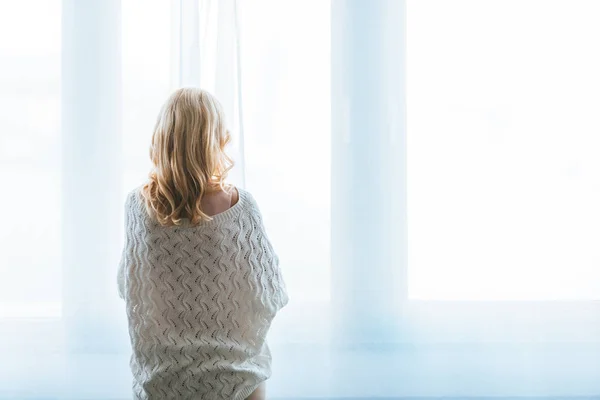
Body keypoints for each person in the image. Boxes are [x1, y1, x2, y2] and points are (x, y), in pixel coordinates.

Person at [117, 87, 288, 400]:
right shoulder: (240, 206)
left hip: (162, 381)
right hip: (236, 380)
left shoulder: (137, 207)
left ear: (162, 138)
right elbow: (268, 293)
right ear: (216, 140)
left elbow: (131, 289)